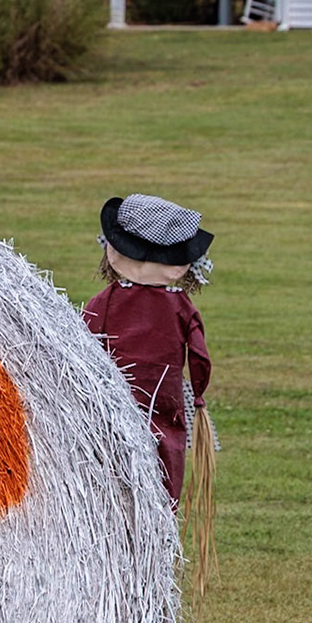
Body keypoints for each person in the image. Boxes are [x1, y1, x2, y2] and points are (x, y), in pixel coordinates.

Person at [82, 194, 215, 503]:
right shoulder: (180, 306)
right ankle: (160, 517)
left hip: (114, 395)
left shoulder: (107, 300)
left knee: (113, 458)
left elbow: (83, 345)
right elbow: (199, 355)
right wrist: (197, 393)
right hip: (164, 397)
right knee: (165, 454)